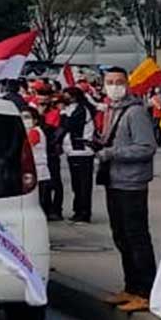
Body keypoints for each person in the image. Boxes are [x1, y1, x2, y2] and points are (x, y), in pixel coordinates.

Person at [94, 66, 159, 312]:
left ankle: (146, 291)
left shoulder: (135, 112)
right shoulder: (111, 110)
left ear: (128, 84)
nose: (114, 86)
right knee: (121, 236)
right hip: (114, 181)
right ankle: (131, 286)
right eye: (109, 82)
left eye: (118, 81)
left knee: (136, 236)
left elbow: (146, 147)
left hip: (132, 183)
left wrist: (112, 152)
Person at [60, 87, 96, 223]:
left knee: (83, 185)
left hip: (82, 151)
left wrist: (62, 112)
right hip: (73, 151)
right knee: (77, 184)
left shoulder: (81, 109)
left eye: (67, 95)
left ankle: (84, 212)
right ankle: (78, 210)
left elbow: (69, 125)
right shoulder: (73, 108)